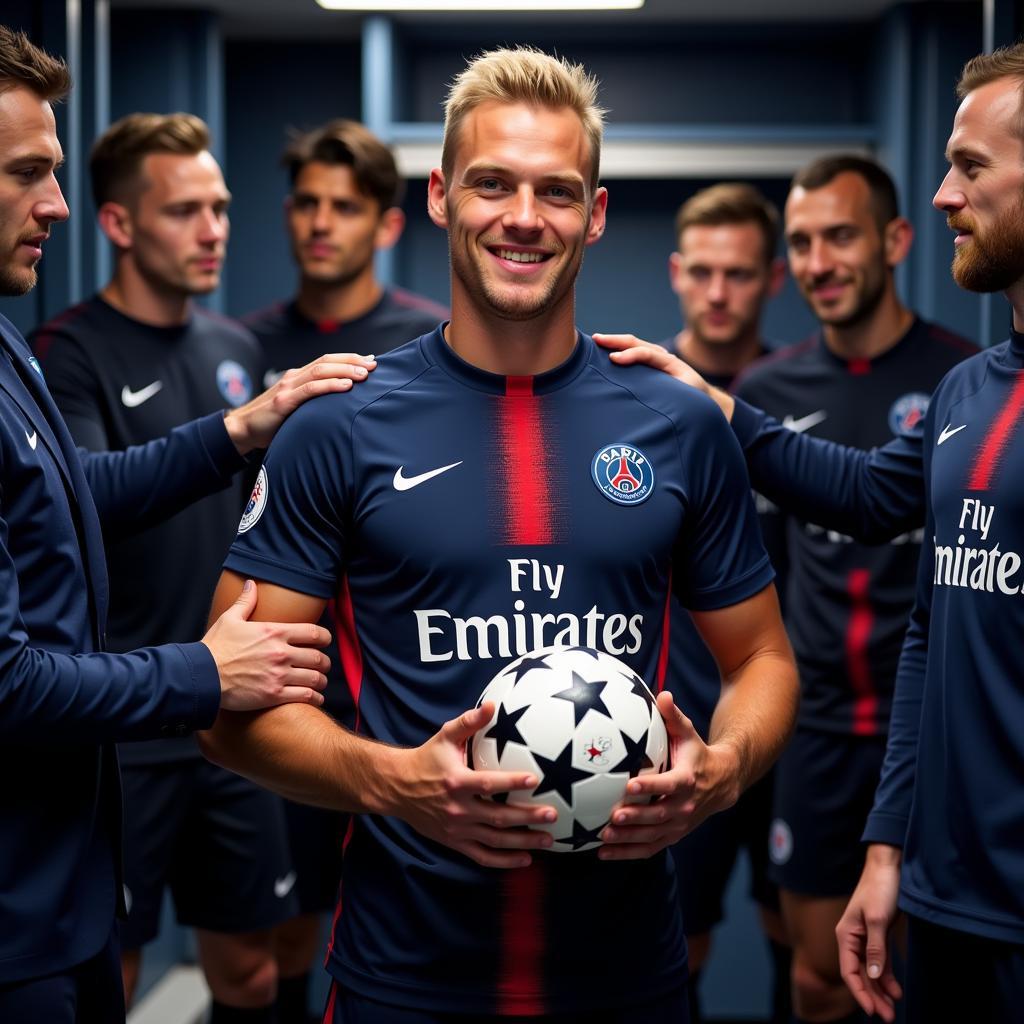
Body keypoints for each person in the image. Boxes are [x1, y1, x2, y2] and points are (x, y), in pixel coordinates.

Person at [199, 46, 799, 1023]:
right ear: (439, 196)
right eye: (492, 183)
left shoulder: (676, 423)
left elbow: (765, 658)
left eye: (557, 191)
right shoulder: (336, 426)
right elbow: (224, 710)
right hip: (405, 979)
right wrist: (393, 781)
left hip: (630, 979)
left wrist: (722, 771)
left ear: (595, 214)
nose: (524, 217)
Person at [594, 41, 1024, 1024]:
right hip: (943, 879)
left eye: (971, 166)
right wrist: (887, 846)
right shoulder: (970, 389)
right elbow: (886, 526)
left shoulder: (944, 361)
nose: (948, 194)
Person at [0, 26, 365, 1021]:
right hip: (53, 829)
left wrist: (241, 428)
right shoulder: (62, 345)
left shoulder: (5, 345)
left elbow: (70, 493)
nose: (56, 206)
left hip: (88, 810)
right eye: (28, 173)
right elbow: (5, 678)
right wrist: (205, 671)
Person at [729, 155, 975, 1024]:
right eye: (800, 243)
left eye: (839, 235)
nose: (818, 262)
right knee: (821, 979)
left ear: (896, 240)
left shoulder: (963, 384)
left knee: (927, 980)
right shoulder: (765, 393)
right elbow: (761, 576)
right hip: (819, 738)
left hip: (934, 739)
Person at [242, 120, 447, 1022]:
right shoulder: (241, 347)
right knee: (271, 943)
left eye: (345, 206)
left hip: (396, 697)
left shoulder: (431, 345)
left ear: (389, 223)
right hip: (275, 688)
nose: (322, 224)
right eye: (307, 205)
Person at [660, 183, 791, 1024]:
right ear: (675, 272)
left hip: (784, 713)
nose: (717, 292)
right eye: (701, 271)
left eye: (737, 274)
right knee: (679, 947)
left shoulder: (792, 400)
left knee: (806, 949)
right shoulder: (640, 397)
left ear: (771, 278)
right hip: (672, 719)